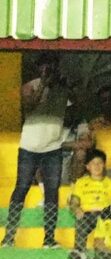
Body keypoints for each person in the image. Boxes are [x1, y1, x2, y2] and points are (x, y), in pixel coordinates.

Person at [5, 53, 73, 248]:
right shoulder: (30, 86)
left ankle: (49, 238)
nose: (49, 70)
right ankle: (9, 237)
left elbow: (79, 104)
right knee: (21, 188)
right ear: (39, 68)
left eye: (52, 66)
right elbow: (29, 106)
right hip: (29, 147)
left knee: (52, 192)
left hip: (53, 147)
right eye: (45, 67)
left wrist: (66, 86)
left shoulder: (62, 87)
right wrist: (43, 84)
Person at [68, 149, 111, 259]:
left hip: (106, 214)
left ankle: (107, 253)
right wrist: (76, 208)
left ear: (104, 165)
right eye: (93, 163)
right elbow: (74, 201)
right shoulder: (80, 182)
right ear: (88, 166)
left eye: (100, 163)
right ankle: (80, 251)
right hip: (87, 214)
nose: (97, 166)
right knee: (81, 220)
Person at [88, 84, 111, 175]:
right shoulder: (94, 125)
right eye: (104, 100)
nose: (108, 103)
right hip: (101, 171)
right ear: (100, 104)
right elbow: (88, 146)